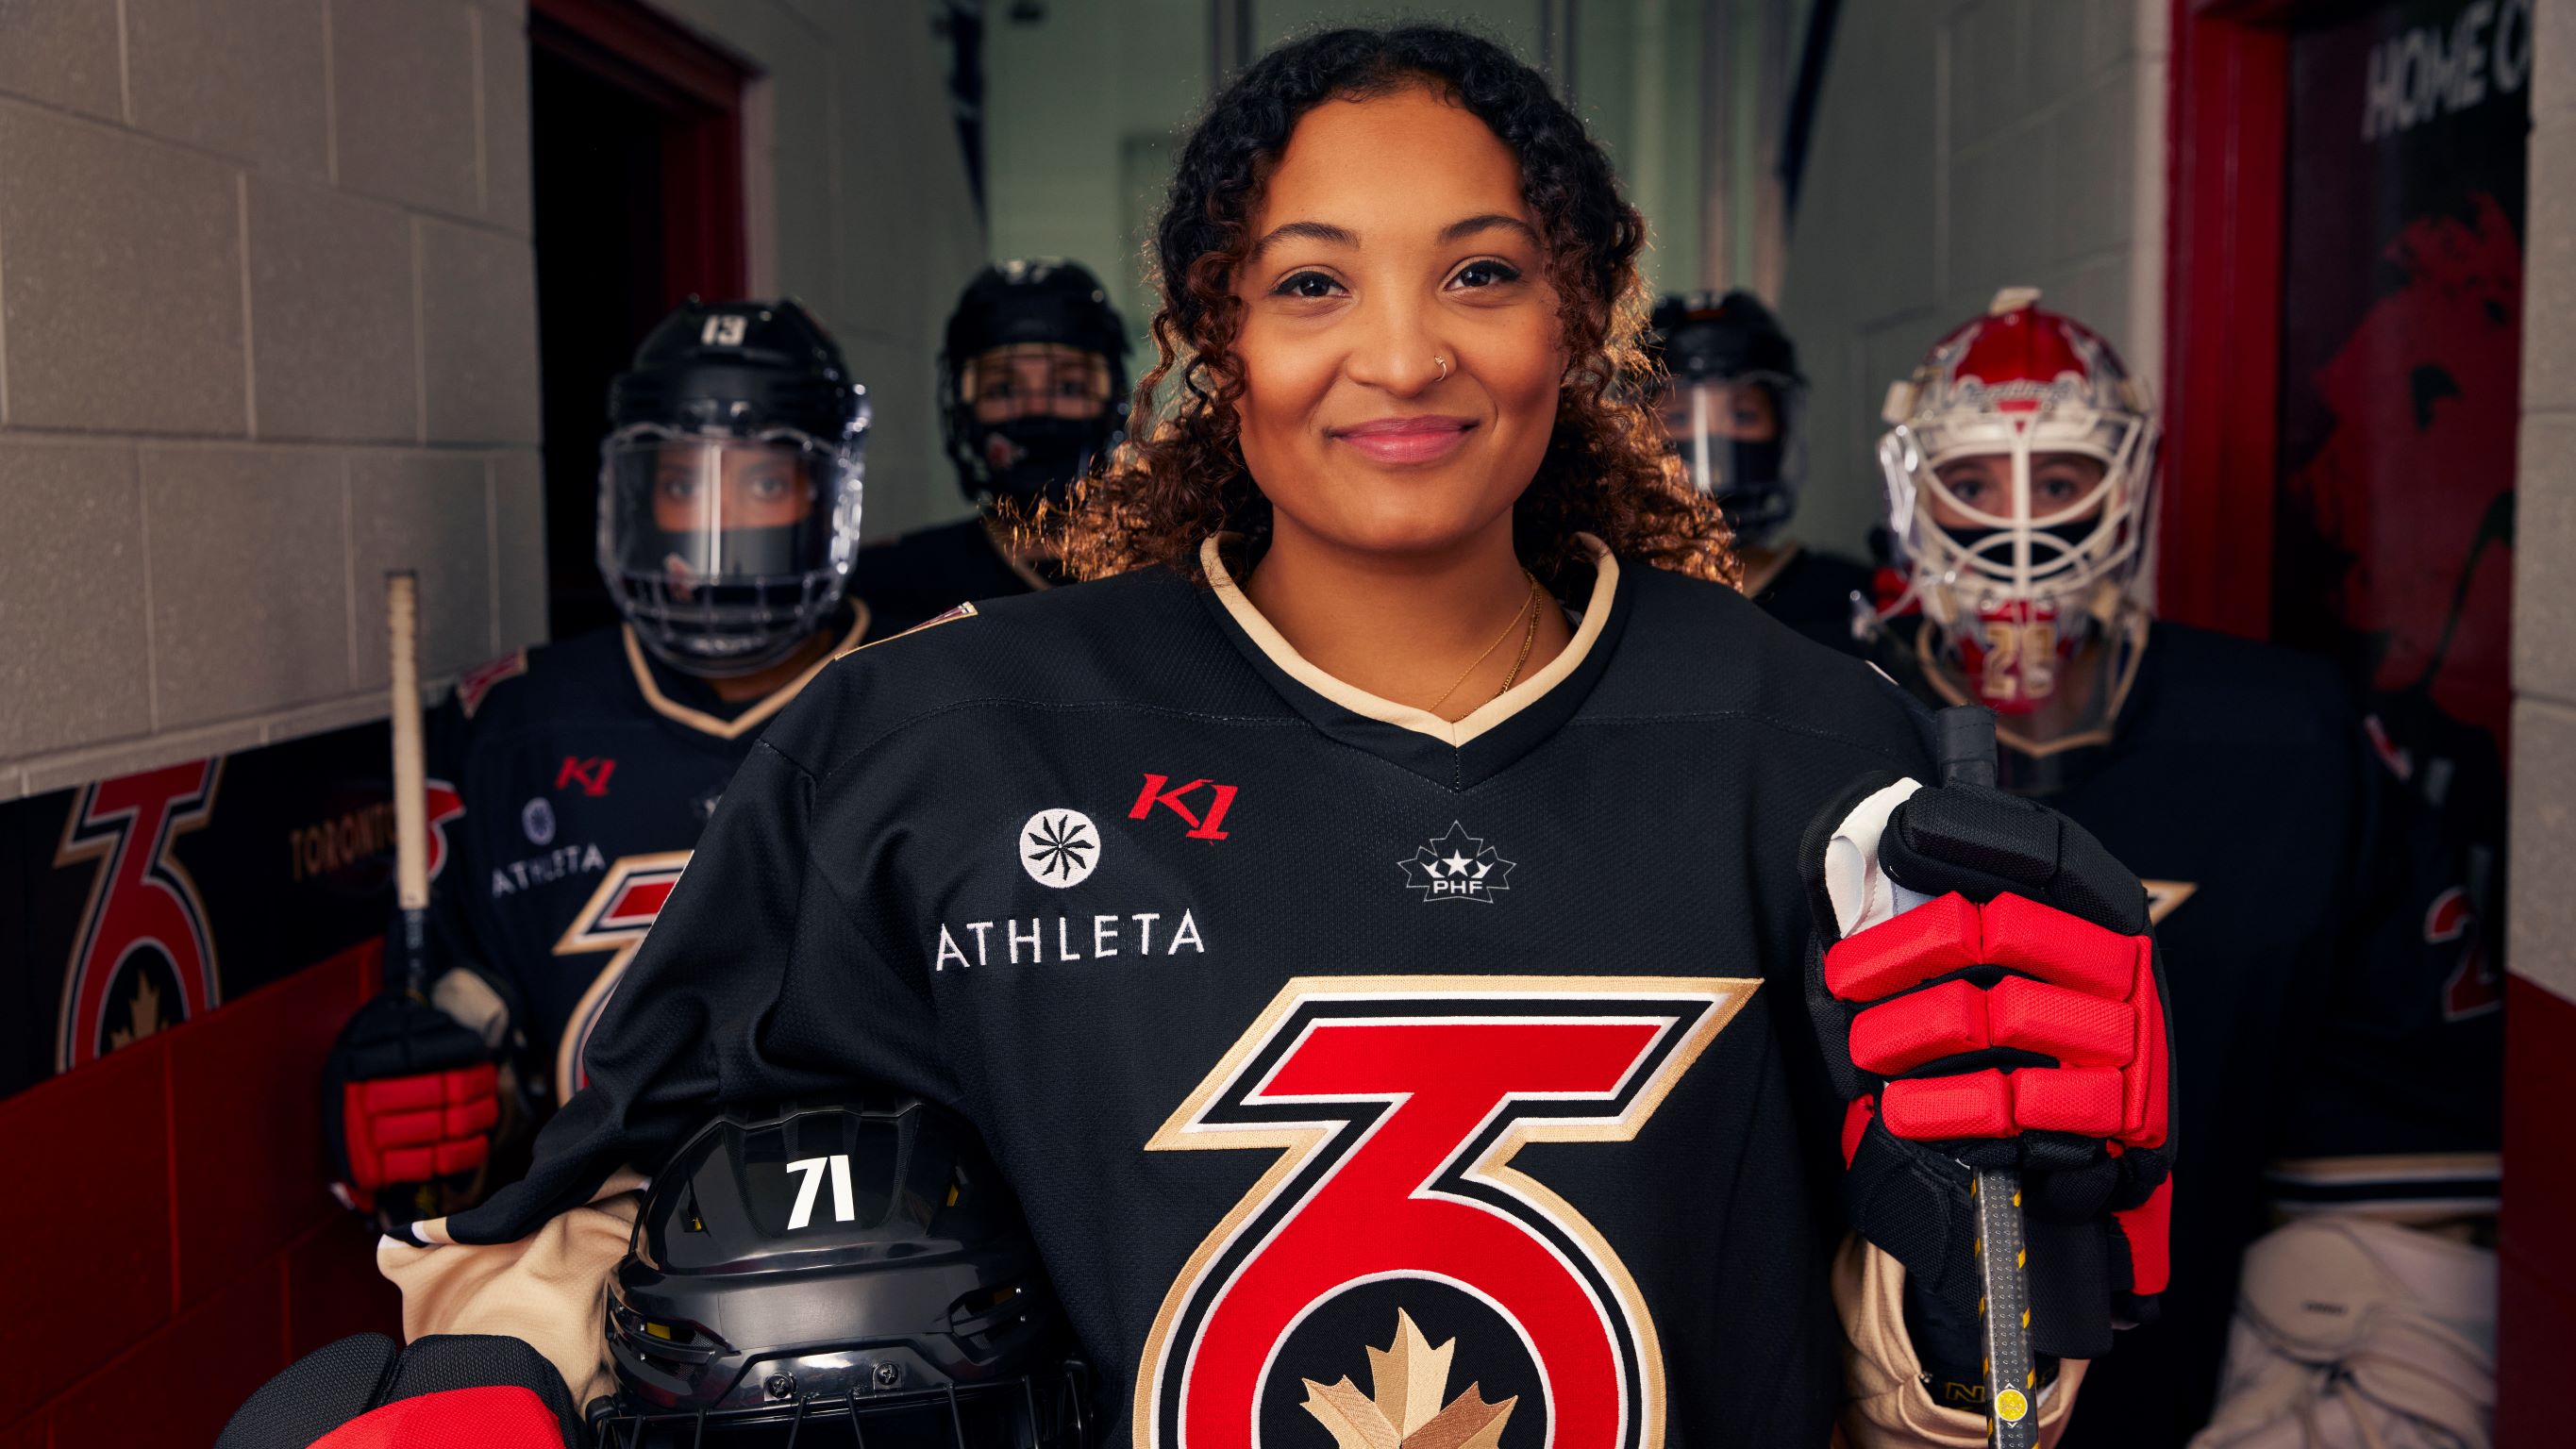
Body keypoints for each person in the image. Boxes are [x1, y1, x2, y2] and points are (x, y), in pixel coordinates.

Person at [245, 28, 2175, 1449]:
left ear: (1576, 321)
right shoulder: (935, 740)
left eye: (1480, 273)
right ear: (1212, 335)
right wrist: (493, 1377)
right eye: (1315, 281)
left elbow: (1952, 1403)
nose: (1403, 354)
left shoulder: (1812, 743)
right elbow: (617, 1181)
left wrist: (2028, 1224)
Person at [1862, 289, 2501, 1446]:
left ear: (2129, 483)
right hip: (1891, 1355)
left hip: (2186, 1347)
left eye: (2058, 482)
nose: (2019, 526)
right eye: (1976, 483)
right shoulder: (1825, 717)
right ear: (1914, 490)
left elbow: (2400, 1154)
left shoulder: (2288, 734)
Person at [320, 298, 875, 1230]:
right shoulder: (511, 725)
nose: (719, 528)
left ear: (827, 496)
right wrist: (424, 1095)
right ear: (635, 495)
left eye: (763, 484)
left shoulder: (926, 689)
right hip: (604, 1230)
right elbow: (467, 1038)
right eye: (684, 488)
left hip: (889, 1221)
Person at [855, 258, 1131, 630]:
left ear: (1113, 401)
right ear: (965, 411)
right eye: (1004, 388)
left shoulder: (1172, 572)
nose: (1036, 409)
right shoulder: (892, 586)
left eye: (1069, 386)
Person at [1651, 289, 1873, 649]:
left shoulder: (1849, 600)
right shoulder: (1608, 597)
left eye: (1742, 415)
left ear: (1781, 433)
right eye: (1678, 416)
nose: (1712, 437)